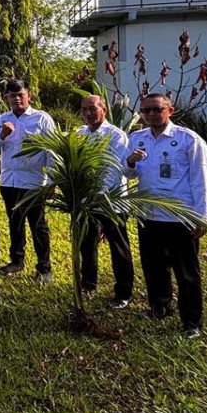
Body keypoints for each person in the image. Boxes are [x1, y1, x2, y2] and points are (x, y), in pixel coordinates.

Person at [125, 93, 207, 339]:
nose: (151, 114)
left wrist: (201, 216)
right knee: (153, 267)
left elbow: (200, 181)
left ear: (169, 110)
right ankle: (160, 307)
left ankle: (191, 321)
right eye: (146, 110)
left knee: (186, 272)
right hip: (148, 214)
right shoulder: (137, 139)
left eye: (156, 109)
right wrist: (130, 161)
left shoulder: (188, 140)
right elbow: (129, 175)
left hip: (179, 217)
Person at [0, 79, 57, 284]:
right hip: (9, 181)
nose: (16, 99)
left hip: (34, 183)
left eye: (20, 95)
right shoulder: (2, 119)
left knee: (38, 225)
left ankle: (44, 268)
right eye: (12, 96)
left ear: (29, 96)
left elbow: (52, 152)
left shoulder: (41, 119)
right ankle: (17, 261)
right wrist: (2, 134)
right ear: (6, 98)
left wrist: (51, 181)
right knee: (15, 223)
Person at [75, 95, 134, 308]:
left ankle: (124, 293)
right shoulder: (79, 134)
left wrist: (99, 193)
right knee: (86, 243)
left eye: (92, 109)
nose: (88, 114)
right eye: (84, 110)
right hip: (85, 200)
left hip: (112, 201)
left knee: (118, 247)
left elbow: (116, 167)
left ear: (104, 110)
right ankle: (88, 283)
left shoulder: (115, 135)